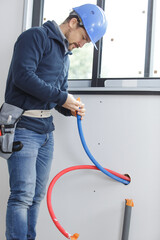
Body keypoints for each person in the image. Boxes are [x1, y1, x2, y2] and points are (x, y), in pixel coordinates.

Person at [4, 3, 107, 240]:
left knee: (36, 196)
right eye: (84, 37)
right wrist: (63, 97)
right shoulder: (34, 37)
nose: (82, 44)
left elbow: (56, 93)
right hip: (23, 127)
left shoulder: (65, 55)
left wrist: (67, 108)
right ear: (73, 22)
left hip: (45, 132)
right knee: (22, 196)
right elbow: (23, 77)